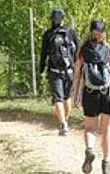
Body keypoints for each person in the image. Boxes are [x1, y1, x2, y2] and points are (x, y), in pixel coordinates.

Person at [73, 19, 110, 174]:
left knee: (90, 128)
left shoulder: (82, 51)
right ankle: (107, 163)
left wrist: (76, 95)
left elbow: (77, 76)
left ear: (90, 31)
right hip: (107, 93)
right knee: (107, 129)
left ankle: (90, 149)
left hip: (90, 93)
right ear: (104, 33)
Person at [37, 7, 80, 136]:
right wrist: (78, 68)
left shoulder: (48, 34)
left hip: (54, 70)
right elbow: (77, 51)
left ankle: (63, 124)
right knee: (66, 97)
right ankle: (64, 122)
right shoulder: (70, 32)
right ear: (63, 18)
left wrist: (41, 69)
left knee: (58, 98)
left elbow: (44, 53)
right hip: (69, 70)